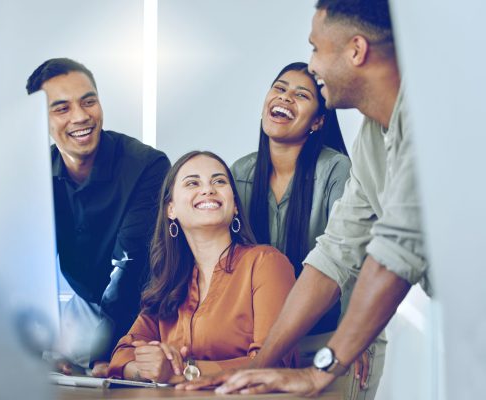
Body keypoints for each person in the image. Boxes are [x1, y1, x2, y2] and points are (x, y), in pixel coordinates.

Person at [179, 0, 427, 397]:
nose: (312, 65)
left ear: (356, 51)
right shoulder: (371, 139)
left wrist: (328, 363)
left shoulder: (426, 116)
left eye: (315, 48)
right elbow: (333, 256)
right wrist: (257, 369)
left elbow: (393, 255)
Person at [26, 58, 171, 377]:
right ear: (40, 119)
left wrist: (102, 352)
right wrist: (44, 345)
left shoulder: (147, 165)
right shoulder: (31, 176)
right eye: (61, 108)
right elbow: (24, 271)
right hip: (86, 306)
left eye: (88, 101)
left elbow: (129, 270)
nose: (80, 116)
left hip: (149, 311)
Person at [107, 151, 296, 384]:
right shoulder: (169, 284)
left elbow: (273, 363)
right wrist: (146, 368)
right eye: (192, 183)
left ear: (235, 205)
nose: (208, 189)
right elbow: (121, 355)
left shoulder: (267, 263)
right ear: (171, 209)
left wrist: (183, 371)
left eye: (219, 181)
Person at [231, 60, 351, 365]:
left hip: (326, 340)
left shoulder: (336, 170)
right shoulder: (240, 172)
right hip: (259, 342)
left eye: (301, 95)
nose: (285, 97)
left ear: (318, 122)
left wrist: (351, 335)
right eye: (280, 89)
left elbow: (352, 257)